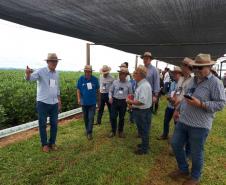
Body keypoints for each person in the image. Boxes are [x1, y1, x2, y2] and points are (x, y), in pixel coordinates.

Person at [169, 53, 226, 185]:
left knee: (196, 152)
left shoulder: (215, 83)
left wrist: (201, 104)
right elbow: (185, 97)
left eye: (200, 68)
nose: (197, 70)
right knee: (176, 144)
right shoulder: (193, 80)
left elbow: (221, 104)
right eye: (195, 67)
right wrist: (177, 110)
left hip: (200, 125)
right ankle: (183, 170)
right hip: (184, 120)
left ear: (209, 67)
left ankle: (195, 177)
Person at [25, 53, 61, 152]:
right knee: (42, 124)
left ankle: (52, 143)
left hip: (54, 103)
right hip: (43, 102)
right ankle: (44, 144)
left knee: (54, 123)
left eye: (56, 61)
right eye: (52, 61)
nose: (54, 63)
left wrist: (59, 101)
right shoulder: (41, 71)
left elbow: (57, 88)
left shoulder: (57, 74)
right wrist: (28, 74)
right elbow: (30, 79)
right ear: (48, 62)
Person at [126, 65, 152, 155]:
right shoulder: (142, 84)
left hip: (142, 112)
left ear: (140, 74)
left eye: (135, 73)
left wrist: (130, 101)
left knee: (144, 130)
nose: (134, 74)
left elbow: (141, 101)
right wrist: (134, 98)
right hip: (143, 111)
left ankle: (144, 149)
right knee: (143, 130)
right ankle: (145, 145)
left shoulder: (143, 86)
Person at [157, 67, 182, 140]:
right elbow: (169, 93)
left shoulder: (182, 85)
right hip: (170, 106)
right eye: (174, 73)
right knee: (166, 121)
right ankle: (165, 134)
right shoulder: (172, 83)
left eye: (176, 73)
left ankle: (176, 138)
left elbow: (180, 97)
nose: (174, 75)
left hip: (177, 107)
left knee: (176, 123)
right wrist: (168, 97)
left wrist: (173, 100)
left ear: (180, 75)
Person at [76, 65, 100, 140]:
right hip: (84, 102)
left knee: (91, 117)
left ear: (91, 72)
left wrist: (99, 100)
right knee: (86, 118)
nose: (87, 73)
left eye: (89, 71)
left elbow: (98, 91)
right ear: (84, 71)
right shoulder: (81, 79)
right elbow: (78, 90)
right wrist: (79, 99)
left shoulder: (95, 79)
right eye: (86, 71)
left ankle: (89, 132)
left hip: (92, 102)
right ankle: (87, 130)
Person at [108, 66, 132, 138]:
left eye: (123, 74)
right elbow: (110, 91)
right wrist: (110, 97)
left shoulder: (129, 84)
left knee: (121, 118)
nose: (121, 75)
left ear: (126, 75)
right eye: (120, 73)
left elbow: (130, 94)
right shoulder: (115, 82)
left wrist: (129, 103)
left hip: (123, 102)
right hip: (115, 101)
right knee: (113, 117)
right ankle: (113, 131)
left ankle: (120, 131)